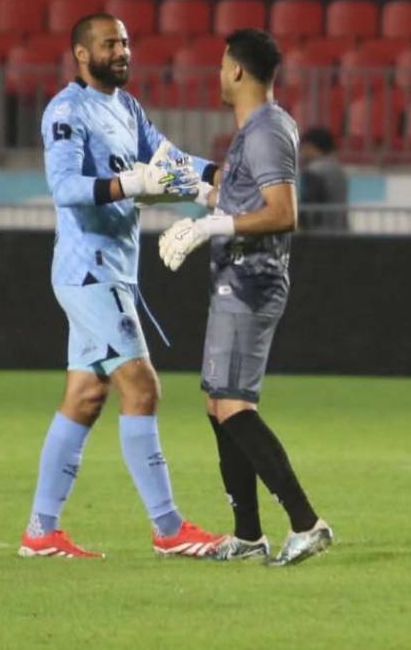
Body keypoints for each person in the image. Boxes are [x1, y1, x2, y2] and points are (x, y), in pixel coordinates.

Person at [18, 13, 224, 560]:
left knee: (86, 397)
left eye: (126, 42)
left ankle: (41, 532)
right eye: (110, 43)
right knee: (142, 386)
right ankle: (169, 528)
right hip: (89, 270)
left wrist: (214, 177)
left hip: (111, 270)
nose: (122, 51)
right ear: (82, 54)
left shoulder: (127, 107)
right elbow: (65, 188)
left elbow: (167, 161)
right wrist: (131, 182)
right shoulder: (66, 111)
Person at [157, 28, 334, 566]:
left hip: (252, 280)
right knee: (219, 404)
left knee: (234, 405)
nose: (218, 74)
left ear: (236, 70)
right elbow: (236, 196)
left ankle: (306, 522)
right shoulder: (257, 130)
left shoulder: (266, 131)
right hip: (235, 277)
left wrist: (210, 227)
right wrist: (185, 186)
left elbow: (283, 213)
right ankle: (249, 533)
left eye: (221, 65)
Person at [298, 126, 349, 232]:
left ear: (311, 147)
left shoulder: (313, 172)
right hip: (341, 232)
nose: (301, 153)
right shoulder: (339, 171)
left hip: (318, 234)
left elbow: (308, 206)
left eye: (303, 148)